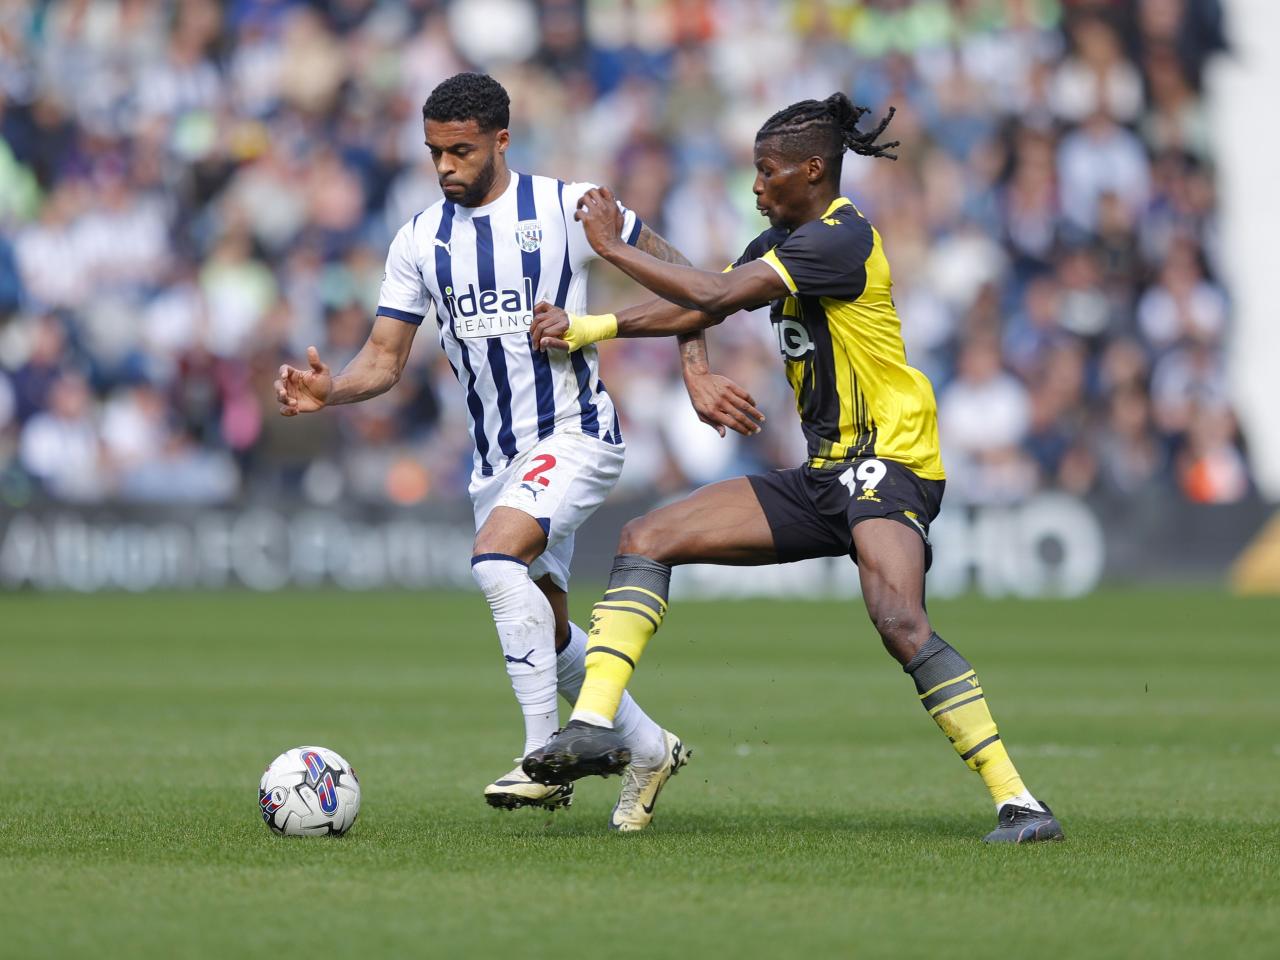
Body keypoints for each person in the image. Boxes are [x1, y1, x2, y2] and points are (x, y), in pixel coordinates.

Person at [523, 93, 1064, 844]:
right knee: (647, 536)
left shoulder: (839, 240)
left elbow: (711, 294)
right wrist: (590, 328)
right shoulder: (780, 244)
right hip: (823, 472)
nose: (756, 187)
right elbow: (700, 310)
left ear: (812, 171)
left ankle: (1022, 804)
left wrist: (613, 249)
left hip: (890, 459)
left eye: (767, 172)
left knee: (899, 620)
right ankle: (589, 728)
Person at [275, 73, 757, 831]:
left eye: (460, 151)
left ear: (502, 140)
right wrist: (329, 389)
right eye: (434, 152)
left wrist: (695, 374)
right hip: (496, 463)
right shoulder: (418, 240)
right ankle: (650, 747)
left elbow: (695, 285)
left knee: (495, 559)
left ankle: (542, 761)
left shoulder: (570, 208)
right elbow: (384, 358)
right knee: (554, 629)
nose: (444, 167)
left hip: (575, 434)